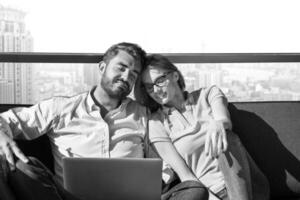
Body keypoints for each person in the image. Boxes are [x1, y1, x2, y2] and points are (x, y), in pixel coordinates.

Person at [0, 43, 208, 200]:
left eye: (134, 73)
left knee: (195, 190)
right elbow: (5, 121)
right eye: (121, 68)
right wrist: (2, 136)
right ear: (102, 67)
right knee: (22, 168)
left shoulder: (144, 115)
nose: (126, 76)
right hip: (70, 199)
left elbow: (162, 165)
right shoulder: (60, 108)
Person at [135, 54, 270, 200]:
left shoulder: (207, 94)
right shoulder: (156, 123)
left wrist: (219, 123)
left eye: (159, 81)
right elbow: (186, 177)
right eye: (149, 87)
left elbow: (224, 119)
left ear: (175, 75)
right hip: (212, 195)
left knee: (226, 136)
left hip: (250, 188)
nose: (155, 90)